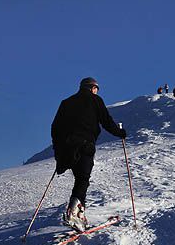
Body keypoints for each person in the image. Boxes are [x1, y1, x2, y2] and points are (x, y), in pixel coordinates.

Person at [51, 77, 126, 231]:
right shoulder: (95, 100)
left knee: (79, 179)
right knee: (83, 179)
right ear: (92, 88)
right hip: (85, 144)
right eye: (96, 89)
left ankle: (80, 214)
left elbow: (55, 127)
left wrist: (58, 149)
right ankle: (73, 212)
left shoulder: (66, 102)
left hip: (67, 147)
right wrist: (120, 133)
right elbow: (106, 121)